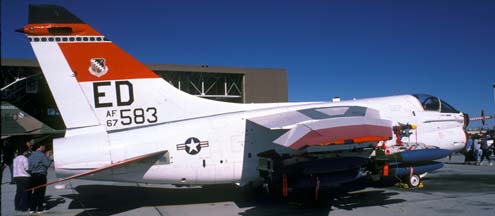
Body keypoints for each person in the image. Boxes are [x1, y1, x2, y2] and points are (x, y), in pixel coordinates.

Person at [28, 141, 51, 213]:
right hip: (41, 175)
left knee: (35, 192)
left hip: (33, 175)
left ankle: (32, 208)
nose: (44, 148)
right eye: (44, 146)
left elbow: (29, 167)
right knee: (41, 192)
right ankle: (40, 208)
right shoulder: (42, 155)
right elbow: (47, 164)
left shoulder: (31, 155)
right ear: (40, 146)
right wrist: (48, 157)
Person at [13, 140, 32, 212]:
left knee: (18, 192)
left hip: (17, 177)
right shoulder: (25, 159)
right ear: (25, 151)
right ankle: (24, 207)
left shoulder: (15, 159)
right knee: (25, 192)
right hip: (24, 177)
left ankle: (17, 206)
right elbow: (27, 168)